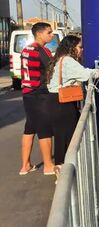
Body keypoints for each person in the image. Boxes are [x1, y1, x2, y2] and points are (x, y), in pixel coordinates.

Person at [46, 35, 99, 171]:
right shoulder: (68, 61)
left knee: (61, 138)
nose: (82, 50)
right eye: (79, 47)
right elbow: (85, 74)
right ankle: (65, 170)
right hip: (63, 103)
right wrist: (98, 72)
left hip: (55, 101)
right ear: (72, 48)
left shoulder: (58, 59)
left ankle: (61, 169)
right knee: (68, 138)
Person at [19, 21, 56, 176]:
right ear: (39, 34)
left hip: (27, 93)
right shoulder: (42, 51)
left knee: (30, 127)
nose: (51, 35)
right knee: (45, 128)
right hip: (40, 93)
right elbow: (51, 70)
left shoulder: (26, 50)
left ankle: (25, 165)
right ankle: (48, 165)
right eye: (49, 32)